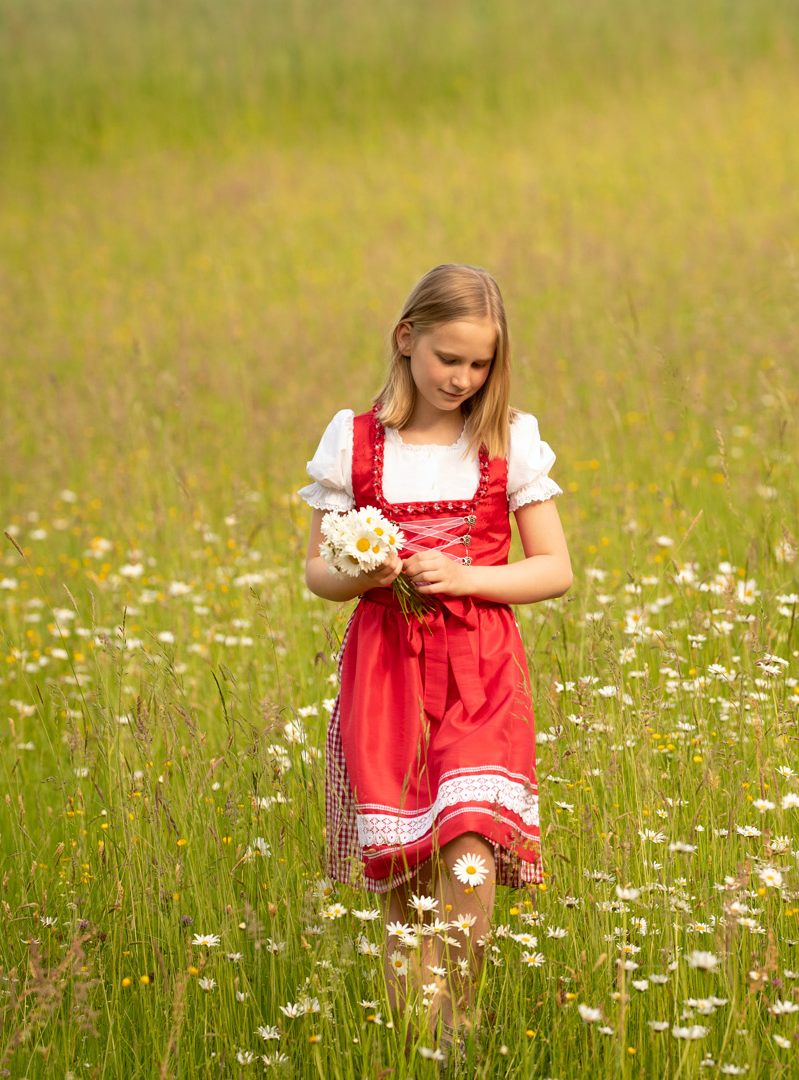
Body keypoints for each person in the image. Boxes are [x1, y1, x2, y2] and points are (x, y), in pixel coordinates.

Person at [297, 264, 572, 1045]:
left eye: (480, 363)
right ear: (406, 339)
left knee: (471, 850)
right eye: (449, 358)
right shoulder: (353, 442)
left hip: (480, 665)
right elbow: (317, 572)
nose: (463, 377)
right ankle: (423, 1041)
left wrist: (466, 575)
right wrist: (360, 571)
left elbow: (555, 568)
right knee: (407, 867)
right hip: (386, 668)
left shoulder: (507, 440)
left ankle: (457, 1020)